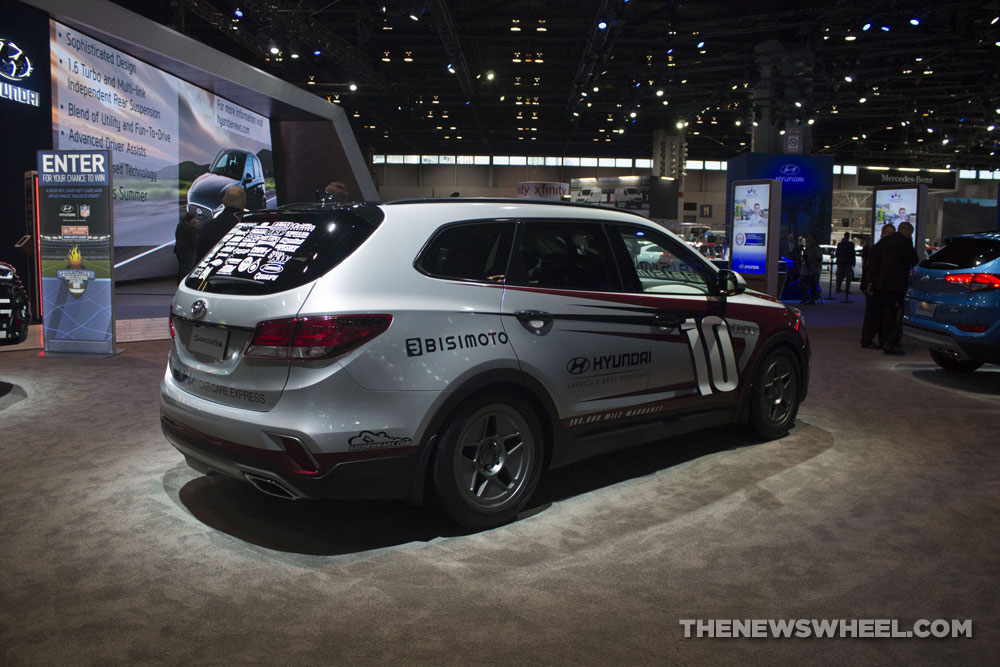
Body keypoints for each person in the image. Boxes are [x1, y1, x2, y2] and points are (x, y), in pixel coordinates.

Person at [867, 221, 918, 355]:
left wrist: (872, 281)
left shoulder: (885, 242)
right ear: (907, 232)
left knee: (886, 313)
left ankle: (884, 340)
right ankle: (891, 341)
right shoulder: (905, 242)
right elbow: (914, 260)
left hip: (883, 283)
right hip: (898, 284)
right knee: (901, 313)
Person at [861, 225, 893, 348]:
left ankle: (872, 338)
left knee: (876, 313)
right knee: (874, 313)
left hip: (877, 284)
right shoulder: (879, 248)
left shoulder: (878, 247)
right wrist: (870, 283)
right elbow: (872, 267)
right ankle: (870, 339)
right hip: (876, 284)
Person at [195, 185, 246, 262]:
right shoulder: (245, 229)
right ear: (243, 203)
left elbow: (198, 259)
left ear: (223, 201)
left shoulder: (207, 227)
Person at [173, 211, 199, 283]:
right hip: (188, 250)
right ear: (192, 219)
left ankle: (179, 281)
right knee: (187, 267)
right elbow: (194, 241)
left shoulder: (180, 225)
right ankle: (185, 282)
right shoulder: (192, 227)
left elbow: (177, 235)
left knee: (182, 267)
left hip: (179, 249)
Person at [800, 233, 822, 304]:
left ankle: (812, 299)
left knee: (813, 285)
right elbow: (804, 256)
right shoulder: (807, 248)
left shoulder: (816, 248)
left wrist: (814, 267)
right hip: (806, 269)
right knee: (804, 284)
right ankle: (806, 297)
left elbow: (819, 259)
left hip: (814, 269)